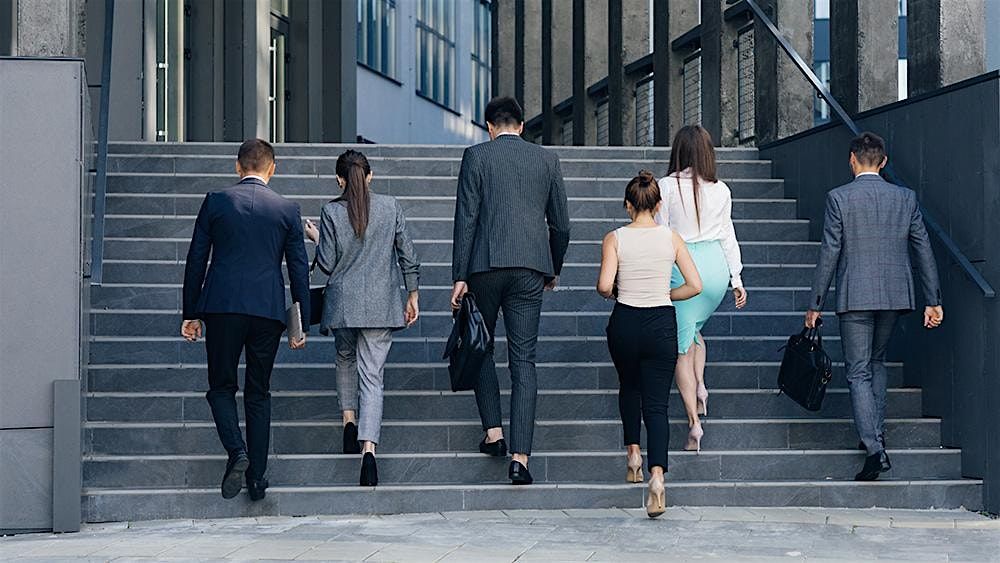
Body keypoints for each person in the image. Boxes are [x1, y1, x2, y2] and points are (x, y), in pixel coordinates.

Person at [806, 132, 943, 481]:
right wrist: (933, 300)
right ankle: (875, 434)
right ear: (883, 162)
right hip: (896, 296)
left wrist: (815, 304)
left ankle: (873, 448)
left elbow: (830, 252)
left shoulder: (839, 198)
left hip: (855, 297)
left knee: (857, 371)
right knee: (876, 362)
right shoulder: (905, 198)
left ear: (852, 160)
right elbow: (922, 249)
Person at [450, 96, 571, 485]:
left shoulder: (476, 157)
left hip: (484, 266)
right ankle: (520, 458)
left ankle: (494, 433)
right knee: (524, 360)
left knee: (480, 343)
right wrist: (552, 266)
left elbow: (466, 219)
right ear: (521, 125)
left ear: (489, 126)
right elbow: (562, 226)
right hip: (530, 268)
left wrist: (460, 275)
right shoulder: (546, 160)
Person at [181, 139, 310, 502]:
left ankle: (236, 450)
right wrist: (302, 323)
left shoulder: (216, 201)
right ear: (274, 168)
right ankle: (257, 478)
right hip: (267, 310)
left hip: (222, 306)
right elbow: (299, 269)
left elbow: (196, 260)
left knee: (221, 387)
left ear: (237, 167)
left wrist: (190, 312)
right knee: (259, 392)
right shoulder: (287, 209)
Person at [304, 149, 420, 487]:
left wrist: (315, 238)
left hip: (342, 305)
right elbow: (407, 255)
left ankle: (348, 421)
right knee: (373, 377)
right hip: (381, 305)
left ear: (340, 179)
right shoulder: (390, 206)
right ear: (369, 176)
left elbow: (325, 265)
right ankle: (368, 450)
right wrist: (412, 293)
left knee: (344, 357)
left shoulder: (331, 212)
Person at [597, 171, 702, 518]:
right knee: (656, 405)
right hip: (660, 323)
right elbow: (695, 285)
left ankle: (633, 456)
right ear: (658, 206)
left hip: (626, 321)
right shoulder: (671, 238)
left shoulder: (614, 238)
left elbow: (603, 286)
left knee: (629, 388)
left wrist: (620, 289)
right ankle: (657, 478)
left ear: (628, 206)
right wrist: (667, 294)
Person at [655, 125, 747, 452]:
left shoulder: (664, 186)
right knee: (693, 331)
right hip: (714, 270)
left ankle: (693, 423)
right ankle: (702, 388)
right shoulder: (721, 190)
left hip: (682, 268)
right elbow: (727, 236)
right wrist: (736, 279)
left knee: (682, 347)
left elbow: (661, 234)